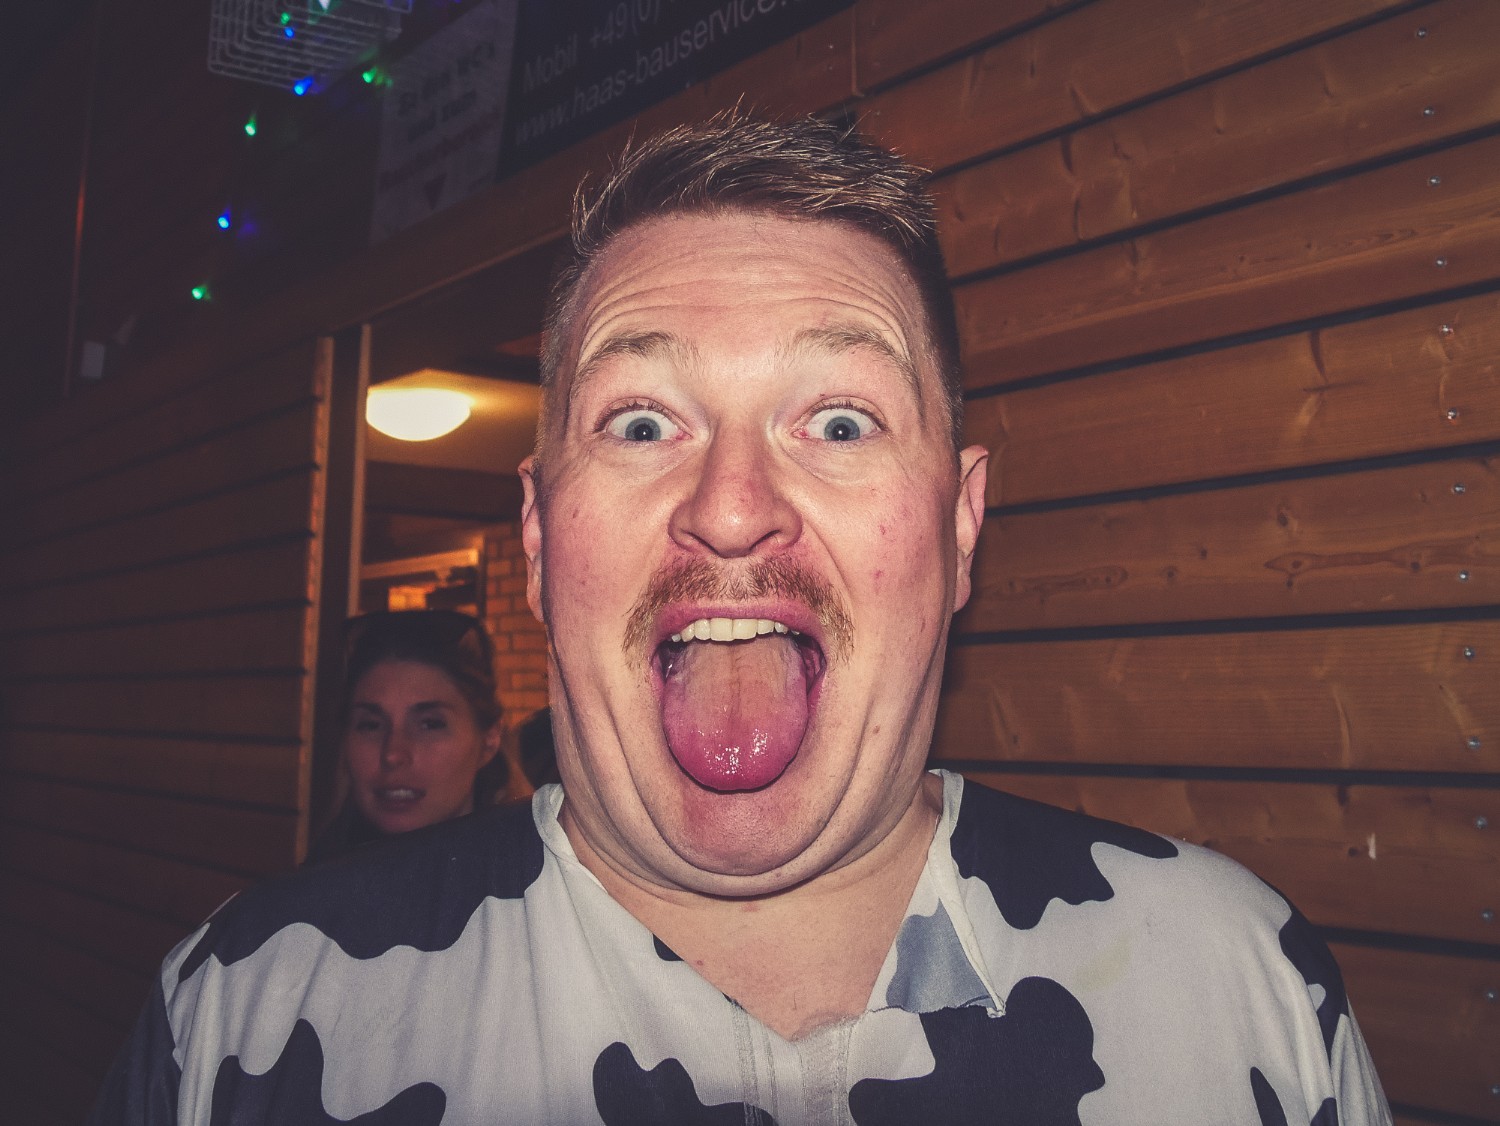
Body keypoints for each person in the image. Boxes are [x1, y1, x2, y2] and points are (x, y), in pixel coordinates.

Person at [91, 114, 1391, 1125]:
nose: (729, 506)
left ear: (958, 527)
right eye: (641, 422)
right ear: (540, 536)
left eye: (840, 419)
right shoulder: (247, 1019)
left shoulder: (1237, 987)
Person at [303, 609, 508, 862]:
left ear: (489, 740)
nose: (393, 754)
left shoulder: (530, 878)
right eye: (371, 725)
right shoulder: (316, 881)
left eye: (430, 724)